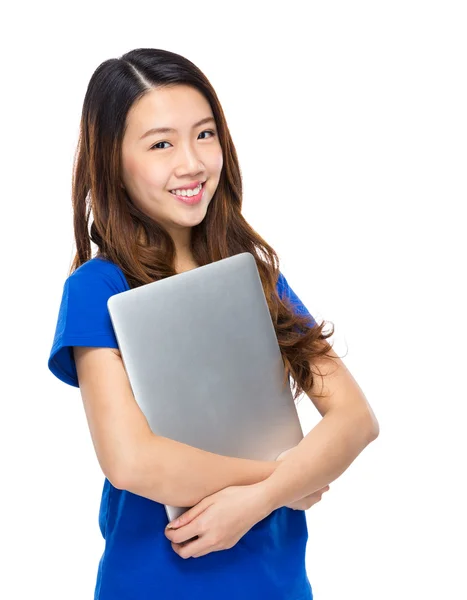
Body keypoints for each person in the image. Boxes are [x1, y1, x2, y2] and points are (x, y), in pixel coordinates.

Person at [47, 47, 379, 600]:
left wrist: (257, 503)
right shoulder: (97, 290)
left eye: (205, 134)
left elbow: (356, 419)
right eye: (161, 144)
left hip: (278, 583)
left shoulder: (256, 277)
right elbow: (131, 461)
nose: (192, 163)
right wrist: (281, 483)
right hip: (156, 584)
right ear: (112, 161)